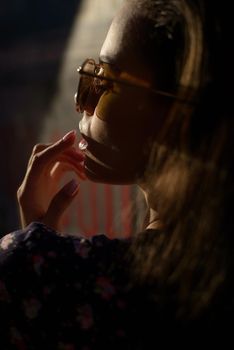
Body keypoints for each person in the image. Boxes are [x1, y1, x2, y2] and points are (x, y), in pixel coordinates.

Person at [1, 0, 234, 348]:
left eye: (104, 81)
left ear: (178, 117)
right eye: (88, 76)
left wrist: (37, 254)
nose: (83, 103)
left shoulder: (40, 274)